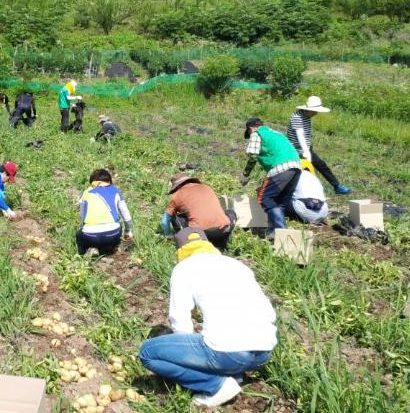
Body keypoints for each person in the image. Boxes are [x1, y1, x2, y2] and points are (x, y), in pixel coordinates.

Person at [138, 227, 277, 407]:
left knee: (148, 353)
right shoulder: (236, 265)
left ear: (181, 251)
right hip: (263, 351)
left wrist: (187, 355)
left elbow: (179, 320)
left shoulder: (184, 268)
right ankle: (235, 374)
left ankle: (215, 385)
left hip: (229, 352)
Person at [241, 117, 302, 237]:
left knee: (265, 197)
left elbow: (253, 156)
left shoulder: (256, 134)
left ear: (250, 128)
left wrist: (245, 175)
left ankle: (281, 231)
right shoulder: (276, 133)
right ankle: (276, 230)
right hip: (296, 166)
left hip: (281, 167)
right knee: (280, 199)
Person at [287, 96, 352, 195]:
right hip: (296, 150)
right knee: (302, 172)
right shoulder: (297, 117)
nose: (316, 113)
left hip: (306, 148)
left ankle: (337, 186)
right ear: (308, 109)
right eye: (314, 111)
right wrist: (306, 151)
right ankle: (299, 194)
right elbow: (300, 134)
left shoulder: (306, 116)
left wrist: (307, 149)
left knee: (321, 166)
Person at [160, 173, 236, 251]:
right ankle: (223, 242)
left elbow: (164, 222)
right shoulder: (207, 188)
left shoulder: (177, 195)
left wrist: (169, 235)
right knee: (230, 212)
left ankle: (186, 242)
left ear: (178, 186)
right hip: (223, 230)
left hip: (201, 235)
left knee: (175, 217)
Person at [77, 169, 134, 255]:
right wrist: (128, 232)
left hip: (90, 236)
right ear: (109, 181)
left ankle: (89, 249)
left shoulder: (86, 193)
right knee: (117, 227)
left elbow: (82, 216)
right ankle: (112, 246)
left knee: (79, 235)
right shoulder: (115, 191)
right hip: (113, 234)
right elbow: (126, 216)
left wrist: (84, 227)